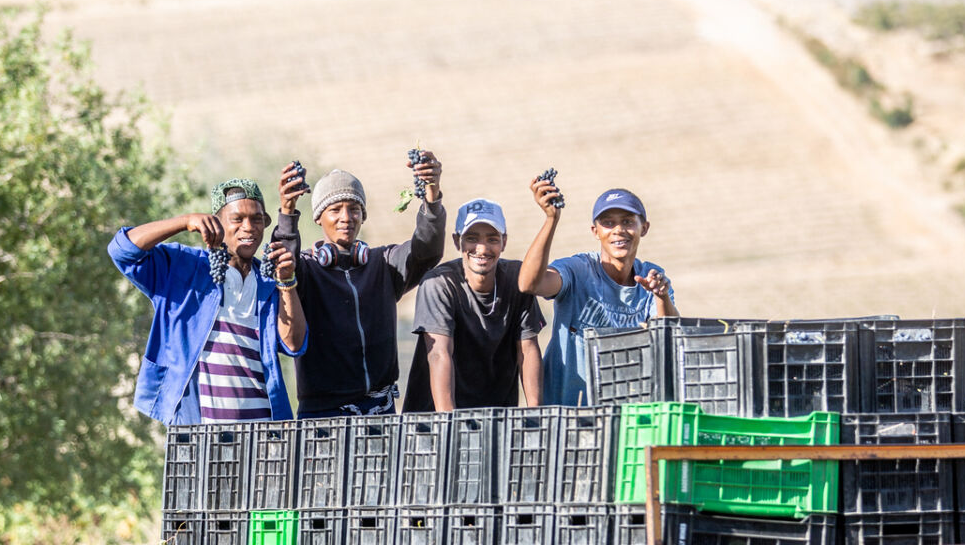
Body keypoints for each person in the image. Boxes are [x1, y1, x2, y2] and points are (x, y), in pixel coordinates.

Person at [108, 178, 305, 423]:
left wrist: (286, 282)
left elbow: (294, 345)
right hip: (200, 433)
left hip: (261, 435)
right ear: (218, 223)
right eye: (237, 219)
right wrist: (185, 221)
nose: (249, 227)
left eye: (256, 219)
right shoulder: (184, 266)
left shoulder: (268, 280)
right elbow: (122, 251)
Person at [271, 155, 445, 417]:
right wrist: (287, 211)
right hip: (323, 416)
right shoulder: (307, 270)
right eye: (335, 209)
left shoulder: (383, 264)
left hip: (380, 412)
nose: (346, 217)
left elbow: (426, 250)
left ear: (363, 214)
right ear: (319, 217)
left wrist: (431, 197)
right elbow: (284, 260)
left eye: (354, 208)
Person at [518, 177, 676, 407]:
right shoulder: (578, 270)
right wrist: (551, 219)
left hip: (623, 418)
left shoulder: (652, 278)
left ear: (644, 228)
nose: (619, 230)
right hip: (564, 415)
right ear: (595, 231)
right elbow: (529, 284)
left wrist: (661, 297)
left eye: (628, 221)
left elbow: (669, 339)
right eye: (608, 223)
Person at [404, 199, 545, 411]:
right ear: (457, 241)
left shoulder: (518, 280)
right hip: (434, 421)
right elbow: (439, 353)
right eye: (471, 238)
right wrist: (448, 422)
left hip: (496, 415)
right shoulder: (440, 283)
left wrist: (535, 415)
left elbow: (527, 348)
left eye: (492, 239)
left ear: (503, 241)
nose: (482, 248)